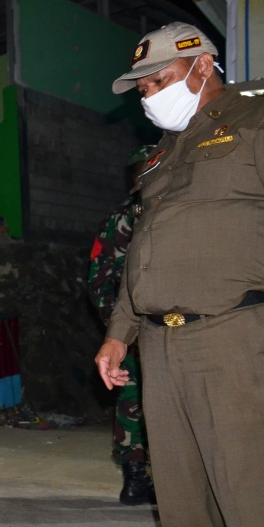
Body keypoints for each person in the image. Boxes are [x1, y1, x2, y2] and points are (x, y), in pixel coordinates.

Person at [95, 22, 264, 527]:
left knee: (254, 486)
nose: (149, 95)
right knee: (180, 487)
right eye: (143, 88)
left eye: (158, 80)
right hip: (161, 342)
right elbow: (144, 253)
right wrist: (119, 334)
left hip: (237, 330)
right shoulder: (164, 154)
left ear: (202, 65)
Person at [87, 146, 157, 506]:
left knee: (134, 396)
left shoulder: (118, 217)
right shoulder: (151, 212)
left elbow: (97, 282)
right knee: (147, 397)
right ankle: (143, 478)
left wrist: (115, 328)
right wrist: (119, 331)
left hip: (134, 324)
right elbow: (100, 279)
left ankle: (137, 478)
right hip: (146, 324)